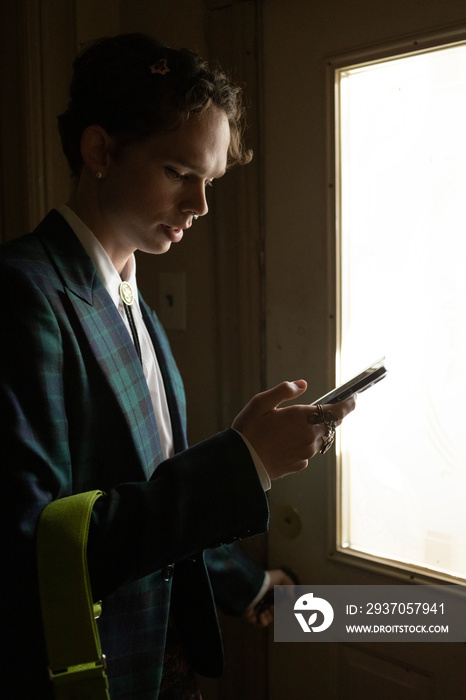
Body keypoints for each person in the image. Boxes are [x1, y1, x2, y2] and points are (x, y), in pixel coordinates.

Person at [0, 33, 356, 699]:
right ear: (101, 150)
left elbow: (151, 491)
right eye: (178, 173)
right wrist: (243, 462)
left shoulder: (136, 305)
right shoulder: (24, 293)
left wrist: (248, 582)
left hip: (164, 666)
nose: (201, 206)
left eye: (211, 181)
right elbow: (37, 552)